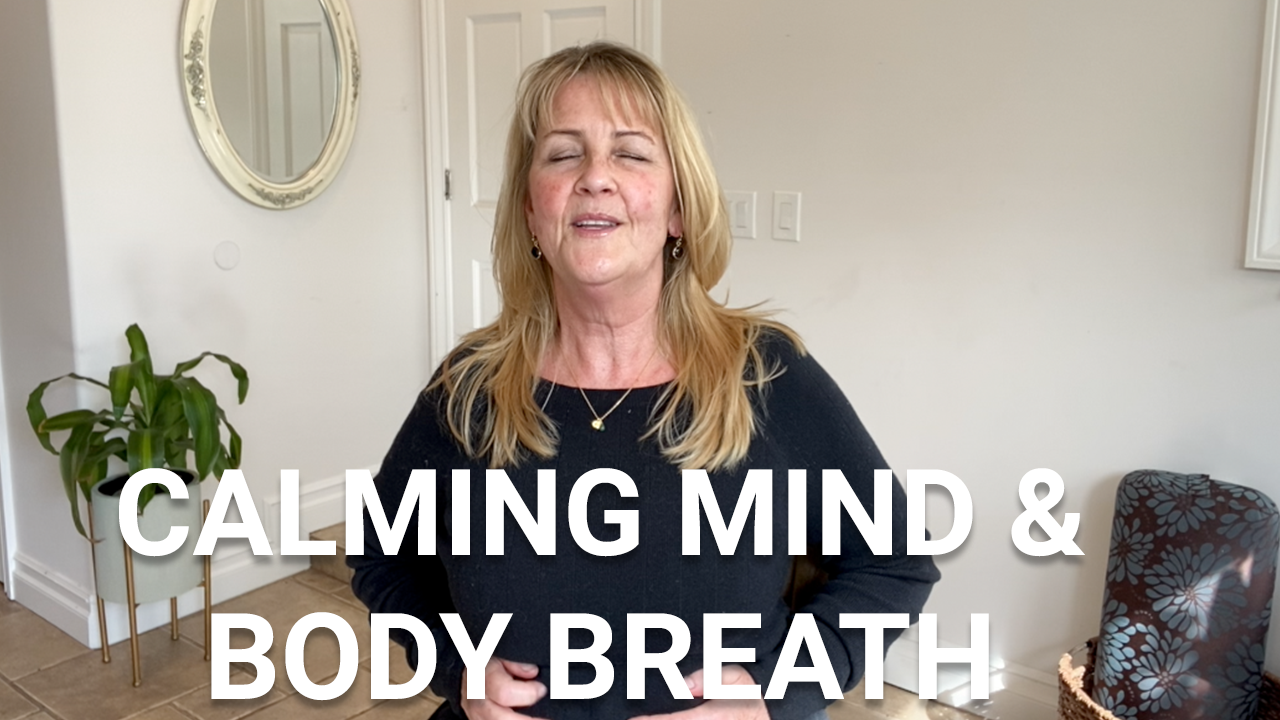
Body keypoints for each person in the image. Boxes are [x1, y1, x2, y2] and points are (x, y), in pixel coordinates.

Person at [349, 41, 940, 720]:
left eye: (630, 153)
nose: (595, 176)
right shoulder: (469, 388)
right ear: (531, 212)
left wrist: (779, 692)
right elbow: (379, 554)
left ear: (678, 212)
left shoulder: (767, 374)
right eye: (563, 154)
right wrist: (455, 665)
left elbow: (895, 562)